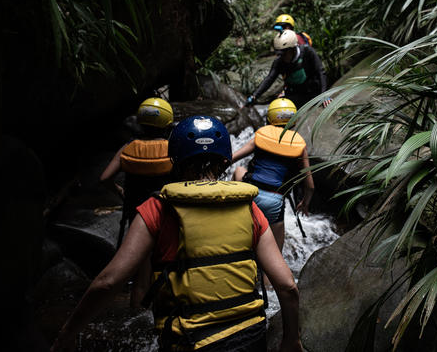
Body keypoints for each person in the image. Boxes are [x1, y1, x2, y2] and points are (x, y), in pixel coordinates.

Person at [51, 115, 302, 352]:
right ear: (226, 161)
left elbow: (109, 282)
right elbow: (287, 286)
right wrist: (291, 340)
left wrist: (67, 333)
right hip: (251, 336)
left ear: (175, 160)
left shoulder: (157, 208)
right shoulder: (249, 207)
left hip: (189, 342)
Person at [232, 98, 315, 252]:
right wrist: (305, 203)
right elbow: (310, 186)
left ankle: (232, 209)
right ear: (294, 122)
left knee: (239, 171)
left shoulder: (260, 135)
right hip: (274, 201)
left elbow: (232, 158)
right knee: (275, 255)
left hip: (250, 194)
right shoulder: (299, 145)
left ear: (269, 119)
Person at [99, 97, 174, 248]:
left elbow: (105, 178)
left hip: (137, 214)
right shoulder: (172, 149)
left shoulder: (129, 148)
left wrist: (119, 190)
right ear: (167, 124)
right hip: (164, 213)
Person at [245, 30, 331, 109]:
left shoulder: (308, 52)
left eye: (284, 53)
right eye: (279, 53)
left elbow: (321, 72)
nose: (282, 56)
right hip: (296, 94)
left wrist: (324, 94)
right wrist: (254, 96)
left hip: (314, 91)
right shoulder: (279, 62)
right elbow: (269, 79)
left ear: (293, 49)